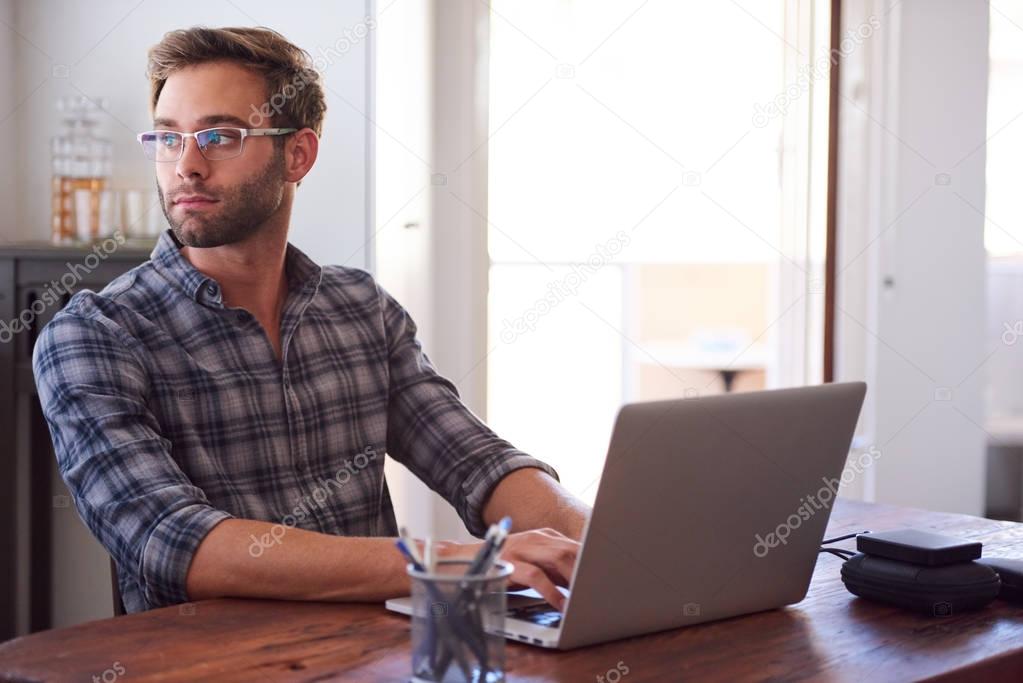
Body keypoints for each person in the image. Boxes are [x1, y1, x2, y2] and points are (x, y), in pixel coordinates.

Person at [32, 26, 588, 615]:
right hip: (206, 668)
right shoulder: (92, 335)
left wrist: (602, 544)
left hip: (369, 659)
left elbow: (476, 462)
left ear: (297, 154)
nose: (186, 166)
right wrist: (464, 563)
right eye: (169, 139)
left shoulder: (360, 309)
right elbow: (176, 545)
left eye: (219, 136)